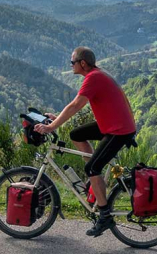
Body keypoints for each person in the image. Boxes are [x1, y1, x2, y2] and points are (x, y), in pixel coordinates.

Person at [34, 46, 136, 237]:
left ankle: (105, 215)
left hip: (118, 130)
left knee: (92, 169)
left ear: (82, 63)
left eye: (72, 62)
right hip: (113, 124)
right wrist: (56, 120)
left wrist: (51, 127)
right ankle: (94, 185)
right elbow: (75, 108)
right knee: (76, 135)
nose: (71, 65)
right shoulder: (97, 74)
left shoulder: (93, 78)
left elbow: (74, 106)